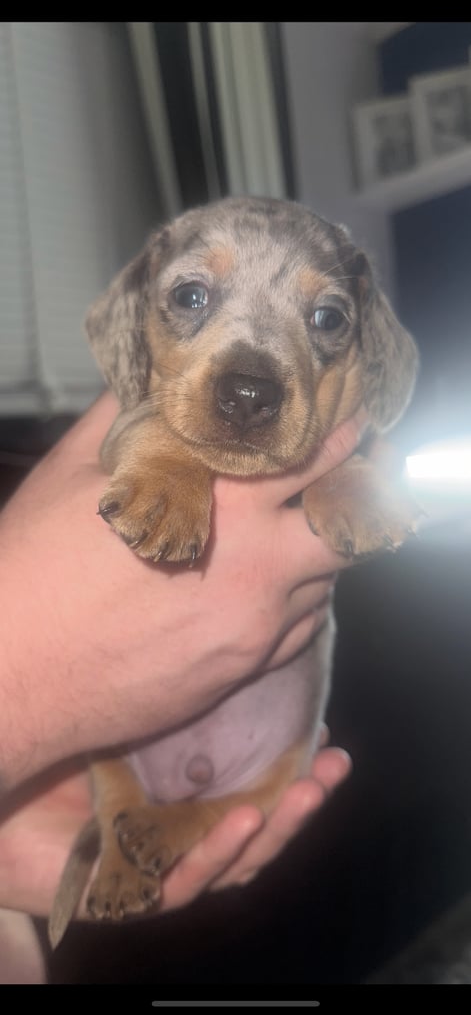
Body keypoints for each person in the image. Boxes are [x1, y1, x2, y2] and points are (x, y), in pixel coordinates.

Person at [0, 392, 364, 923]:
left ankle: (168, 823)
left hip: (253, 763)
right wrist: (29, 672)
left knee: (268, 790)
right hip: (157, 763)